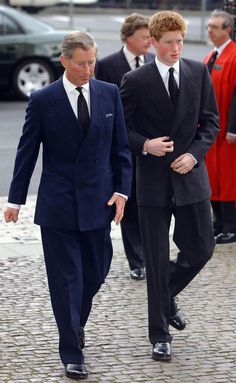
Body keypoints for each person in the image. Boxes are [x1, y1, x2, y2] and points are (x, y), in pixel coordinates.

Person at [4, 31, 132, 380]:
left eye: (91, 62)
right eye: (81, 64)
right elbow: (26, 152)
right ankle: (71, 351)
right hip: (58, 206)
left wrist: (122, 192)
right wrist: (14, 200)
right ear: (64, 61)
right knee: (66, 281)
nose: (88, 69)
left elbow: (121, 150)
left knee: (95, 272)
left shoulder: (108, 94)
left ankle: (75, 323)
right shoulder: (43, 100)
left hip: (99, 203)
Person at [120, 11, 219, 361]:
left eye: (179, 41)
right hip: (152, 181)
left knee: (202, 249)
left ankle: (166, 295)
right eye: (168, 43)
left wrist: (194, 154)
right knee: (157, 260)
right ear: (153, 42)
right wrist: (146, 145)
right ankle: (159, 335)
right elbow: (121, 132)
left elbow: (210, 122)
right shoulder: (135, 80)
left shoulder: (197, 71)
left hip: (191, 176)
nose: (176, 48)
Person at [95, 13, 154, 281]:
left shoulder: (153, 61)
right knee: (128, 205)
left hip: (150, 147)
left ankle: (151, 256)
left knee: (149, 204)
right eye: (144, 37)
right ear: (128, 37)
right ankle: (137, 261)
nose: (149, 41)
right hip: (122, 146)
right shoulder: (107, 65)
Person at [204, 10, 236, 244]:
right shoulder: (211, 56)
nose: (210, 31)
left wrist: (233, 128)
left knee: (228, 178)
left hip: (228, 132)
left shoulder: (234, 56)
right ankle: (218, 223)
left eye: (214, 26)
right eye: (208, 26)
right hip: (213, 131)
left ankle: (231, 226)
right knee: (213, 177)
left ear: (228, 30)